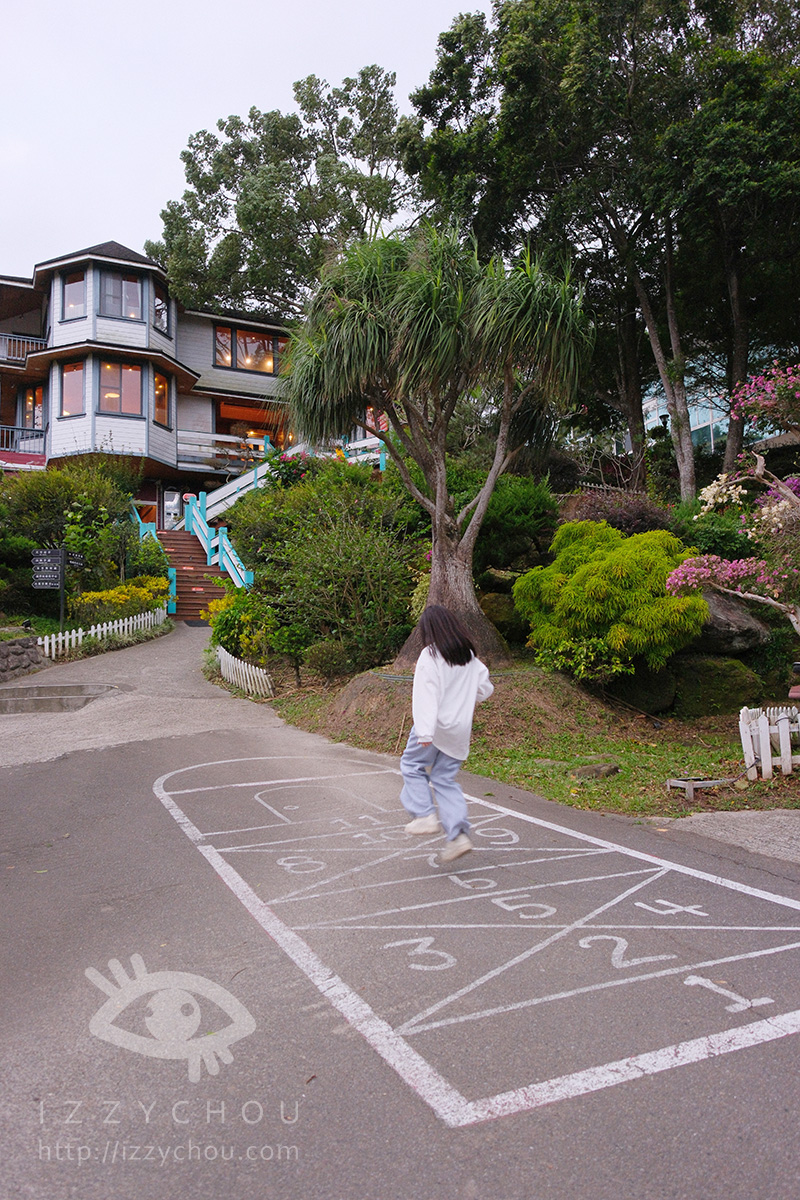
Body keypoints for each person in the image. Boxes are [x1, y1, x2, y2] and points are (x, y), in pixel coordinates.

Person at [400, 605, 494, 863]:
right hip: (459, 729)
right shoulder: (470, 657)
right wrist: (464, 698)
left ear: (428, 630)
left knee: (411, 765)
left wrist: (425, 731)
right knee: (444, 779)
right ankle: (458, 836)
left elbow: (425, 694)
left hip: (435, 725)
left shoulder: (430, 655)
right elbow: (485, 690)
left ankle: (424, 815)